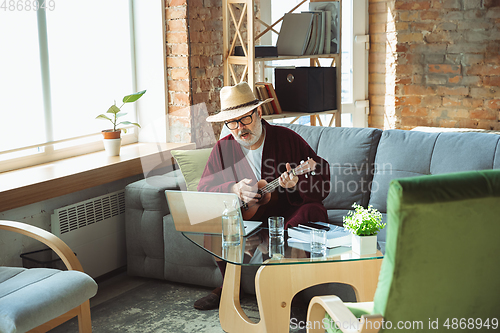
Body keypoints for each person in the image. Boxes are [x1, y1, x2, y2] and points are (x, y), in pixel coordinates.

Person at [193, 82, 331, 310]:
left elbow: (321, 174)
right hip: (244, 217)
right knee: (214, 223)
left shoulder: (286, 138)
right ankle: (229, 285)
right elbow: (204, 189)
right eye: (232, 123)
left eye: (245, 119)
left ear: (258, 112)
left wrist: (296, 184)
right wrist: (232, 189)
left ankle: (291, 293)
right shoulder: (223, 148)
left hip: (284, 216)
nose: (240, 128)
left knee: (312, 211)